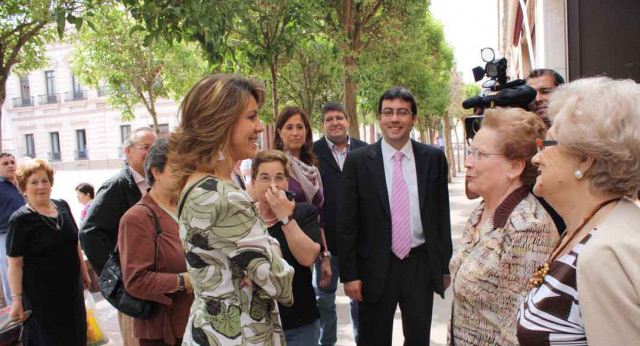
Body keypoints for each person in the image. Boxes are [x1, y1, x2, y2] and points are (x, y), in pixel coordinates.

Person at [168, 74, 294, 345]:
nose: (260, 127)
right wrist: (271, 247)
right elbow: (280, 282)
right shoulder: (223, 196)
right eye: (251, 117)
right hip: (239, 335)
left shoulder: (198, 183)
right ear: (222, 122)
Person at [517, 77, 640, 345]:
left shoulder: (605, 253)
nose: (536, 158)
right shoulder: (588, 226)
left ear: (585, 160)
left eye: (547, 144)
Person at [338, 87, 452, 345]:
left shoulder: (433, 158)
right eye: (388, 112)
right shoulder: (358, 161)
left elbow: (440, 216)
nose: (394, 119)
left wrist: (442, 266)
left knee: (418, 338)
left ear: (414, 118)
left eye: (402, 112)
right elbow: (347, 223)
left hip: (419, 264)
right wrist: (350, 274)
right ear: (379, 117)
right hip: (374, 267)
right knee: (373, 338)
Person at [448, 108, 559, 345]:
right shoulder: (482, 209)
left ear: (515, 167)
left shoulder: (528, 228)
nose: (468, 163)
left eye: (480, 155)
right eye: (470, 151)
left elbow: (516, 332)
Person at [80, 126, 157, 346]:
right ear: (128, 151)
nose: (151, 153)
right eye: (145, 147)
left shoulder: (155, 183)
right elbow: (89, 233)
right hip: (134, 289)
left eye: (155, 148)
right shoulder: (117, 186)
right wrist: (117, 275)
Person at [6, 159, 91, 345]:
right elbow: (14, 264)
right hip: (41, 298)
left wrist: (84, 272)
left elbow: (74, 242)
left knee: (76, 337)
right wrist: (17, 300)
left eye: (44, 181)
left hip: (71, 292)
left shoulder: (62, 206)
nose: (41, 186)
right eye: (34, 182)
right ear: (23, 188)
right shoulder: (20, 220)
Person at [119, 138, 194, 346]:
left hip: (196, 323)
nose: (183, 172)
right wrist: (183, 280)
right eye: (176, 166)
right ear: (156, 172)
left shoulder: (188, 209)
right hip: (163, 332)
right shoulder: (137, 218)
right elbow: (135, 281)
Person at [250, 150, 322, 345]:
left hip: (299, 323)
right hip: (255, 325)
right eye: (265, 178)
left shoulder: (304, 212)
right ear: (254, 183)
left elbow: (307, 258)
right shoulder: (244, 217)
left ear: (287, 183)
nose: (273, 185)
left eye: (279, 178)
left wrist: (285, 217)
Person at [312, 102, 367, 345]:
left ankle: (361, 340)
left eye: (338, 118)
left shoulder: (366, 151)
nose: (334, 123)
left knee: (359, 297)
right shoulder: (312, 154)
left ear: (347, 120)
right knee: (324, 299)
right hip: (326, 243)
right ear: (322, 124)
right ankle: (328, 342)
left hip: (359, 243)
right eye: (329, 119)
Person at [274, 106, 332, 288]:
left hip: (311, 247)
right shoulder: (275, 166)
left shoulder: (312, 168)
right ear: (279, 132)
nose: (295, 133)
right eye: (289, 127)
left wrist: (326, 256)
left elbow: (319, 215)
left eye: (300, 127)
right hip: (284, 249)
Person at [0, 153, 24, 307]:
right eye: (5, 163)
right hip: (4, 236)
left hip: (25, 233)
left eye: (12, 162)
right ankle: (14, 310)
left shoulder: (20, 184)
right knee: (9, 274)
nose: (10, 165)